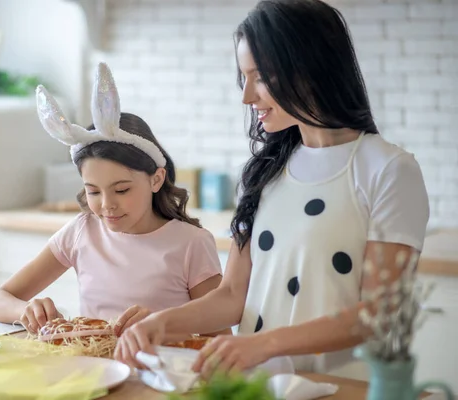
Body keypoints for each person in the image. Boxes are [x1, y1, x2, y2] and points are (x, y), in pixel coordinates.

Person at [114, 0, 429, 378]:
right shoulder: (264, 172)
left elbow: (378, 314)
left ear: (310, 67)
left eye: (260, 76)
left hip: (339, 387)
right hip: (259, 387)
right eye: (244, 78)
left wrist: (263, 344)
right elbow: (232, 296)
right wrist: (160, 323)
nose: (247, 96)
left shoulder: (390, 170)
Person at [0, 63, 226, 345]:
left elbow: (219, 341)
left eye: (121, 189)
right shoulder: (81, 231)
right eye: (93, 191)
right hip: (96, 372)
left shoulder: (191, 244)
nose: (107, 205)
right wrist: (26, 310)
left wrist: (163, 329)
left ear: (156, 179)